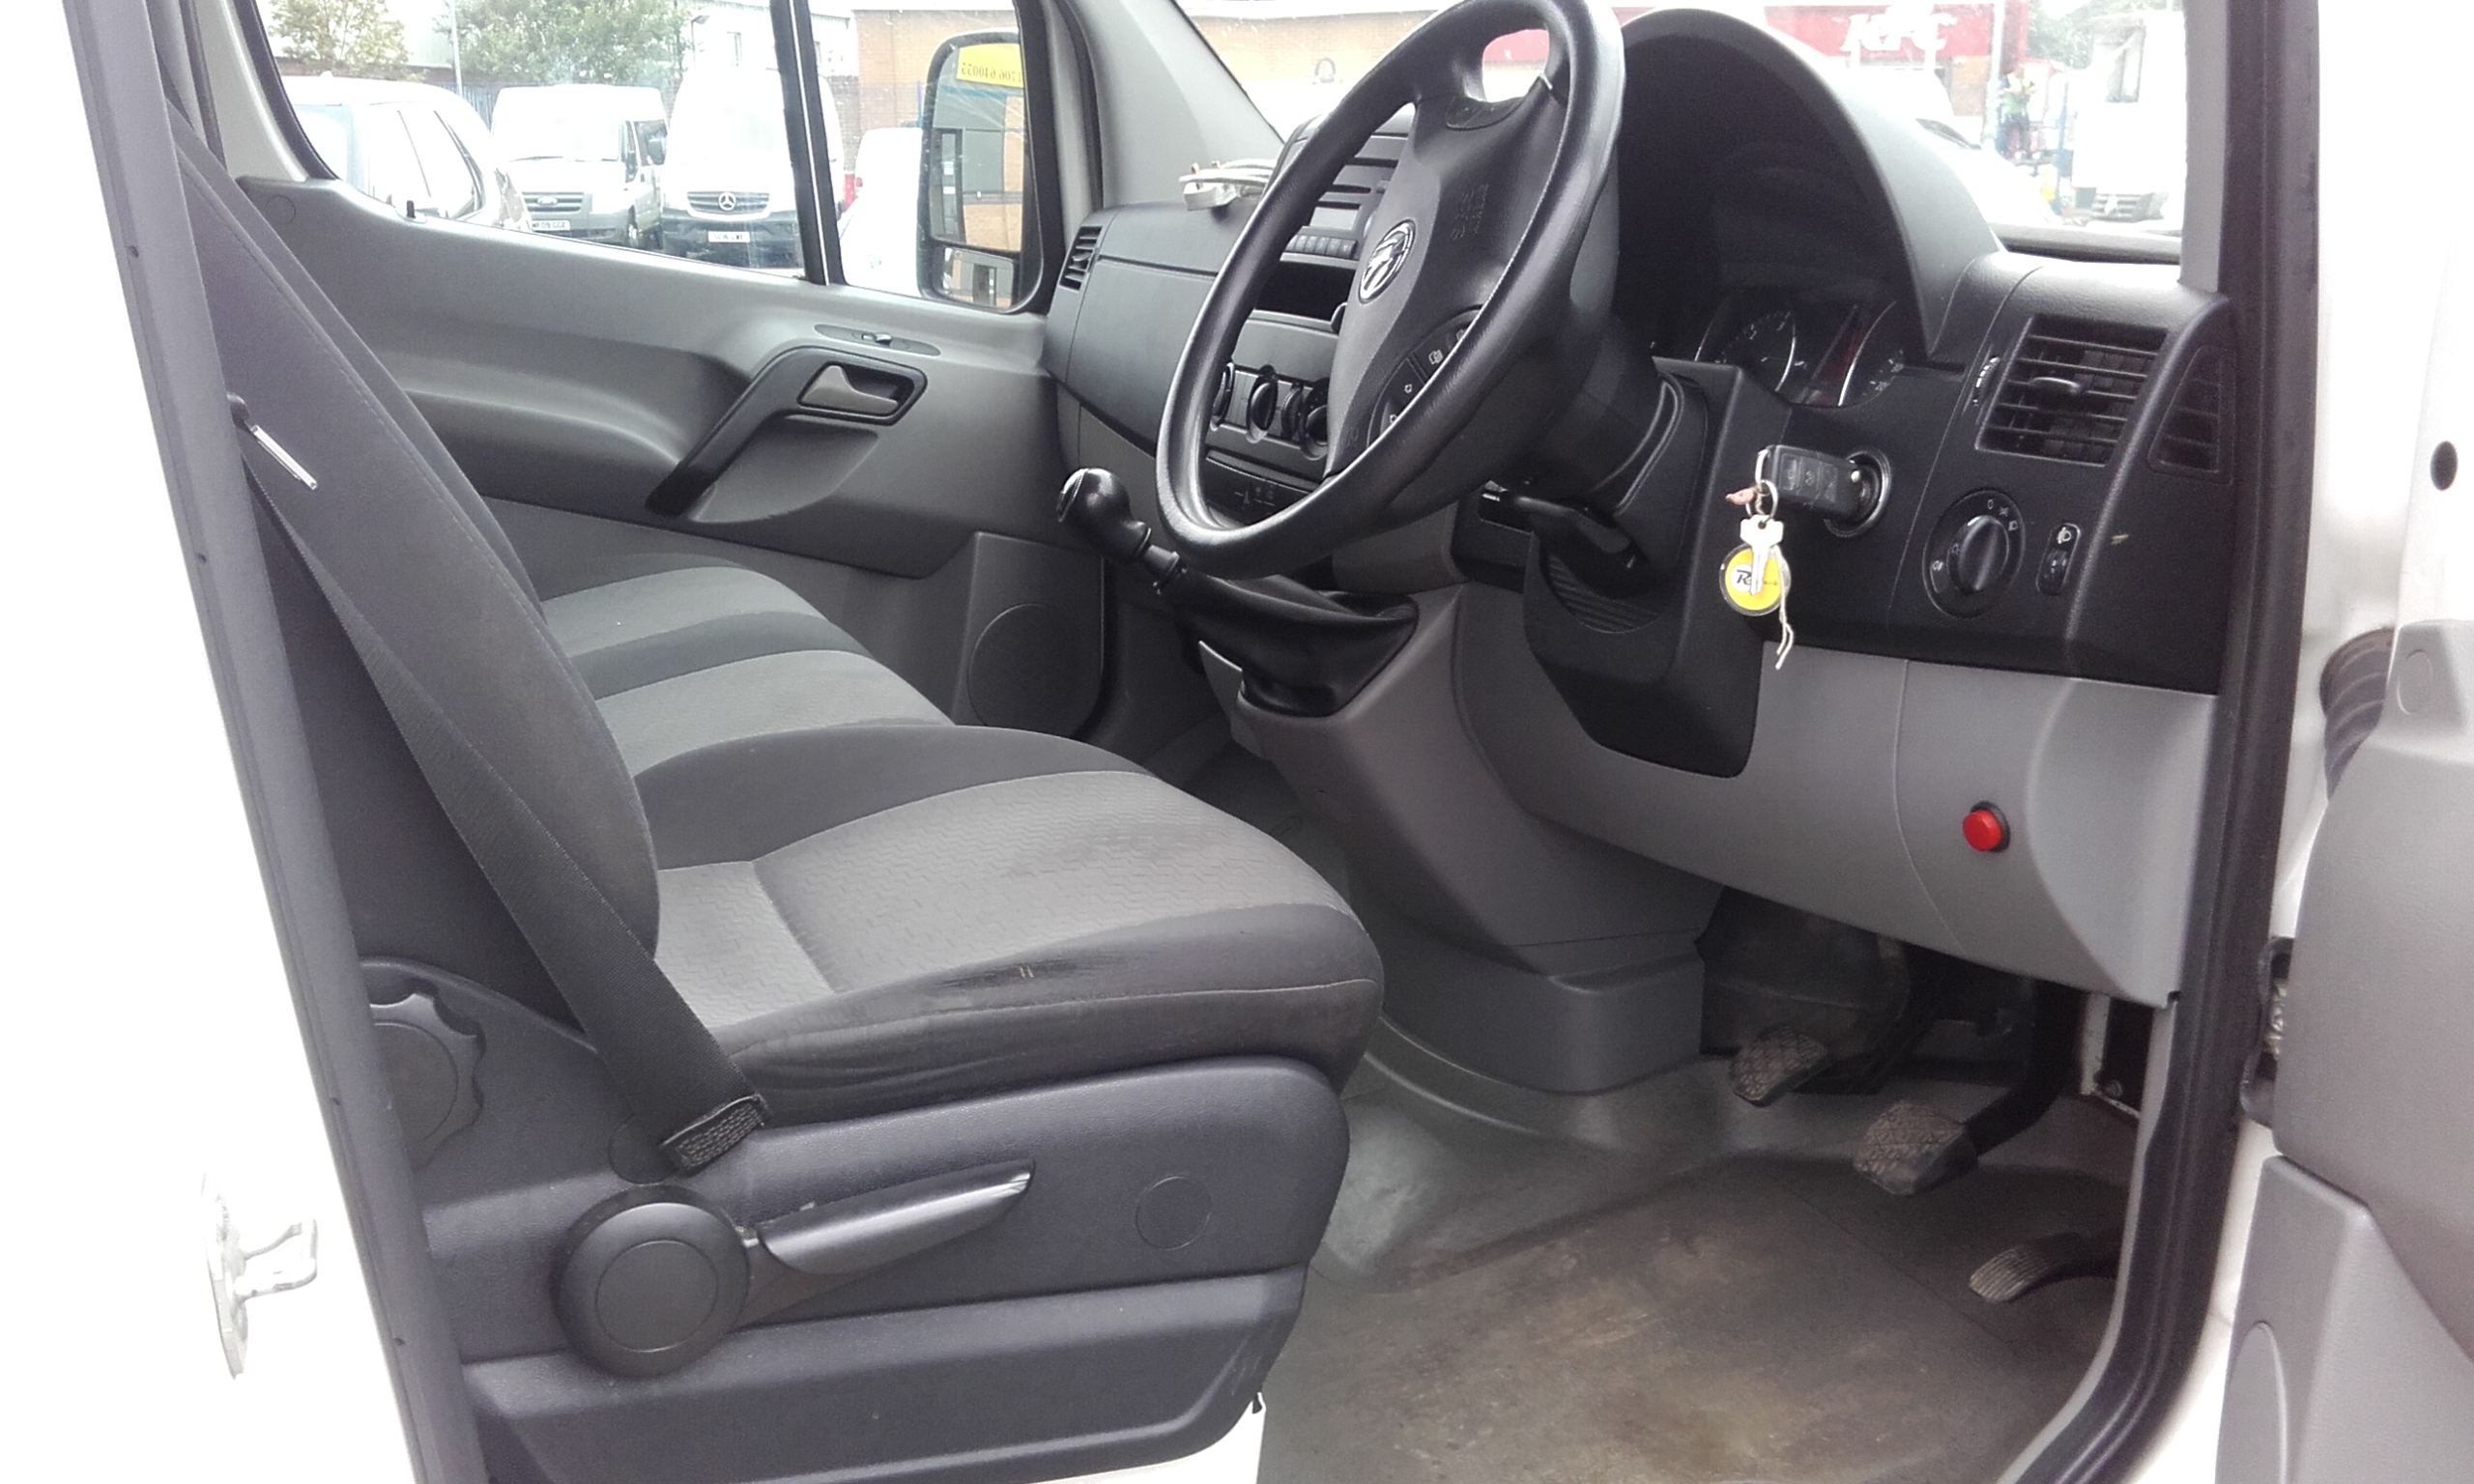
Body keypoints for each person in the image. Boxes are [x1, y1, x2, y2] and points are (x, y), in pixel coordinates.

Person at [1997, 70, 2035, 160]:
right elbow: (2001, 89)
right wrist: (2011, 91)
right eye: (2020, 69)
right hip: (2009, 110)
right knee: (2005, 133)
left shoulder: (2026, 79)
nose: (2022, 71)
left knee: (2025, 133)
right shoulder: (2008, 78)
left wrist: (2029, 91)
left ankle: (2024, 152)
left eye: (2023, 69)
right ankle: (2004, 152)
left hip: (2021, 111)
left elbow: (2035, 87)